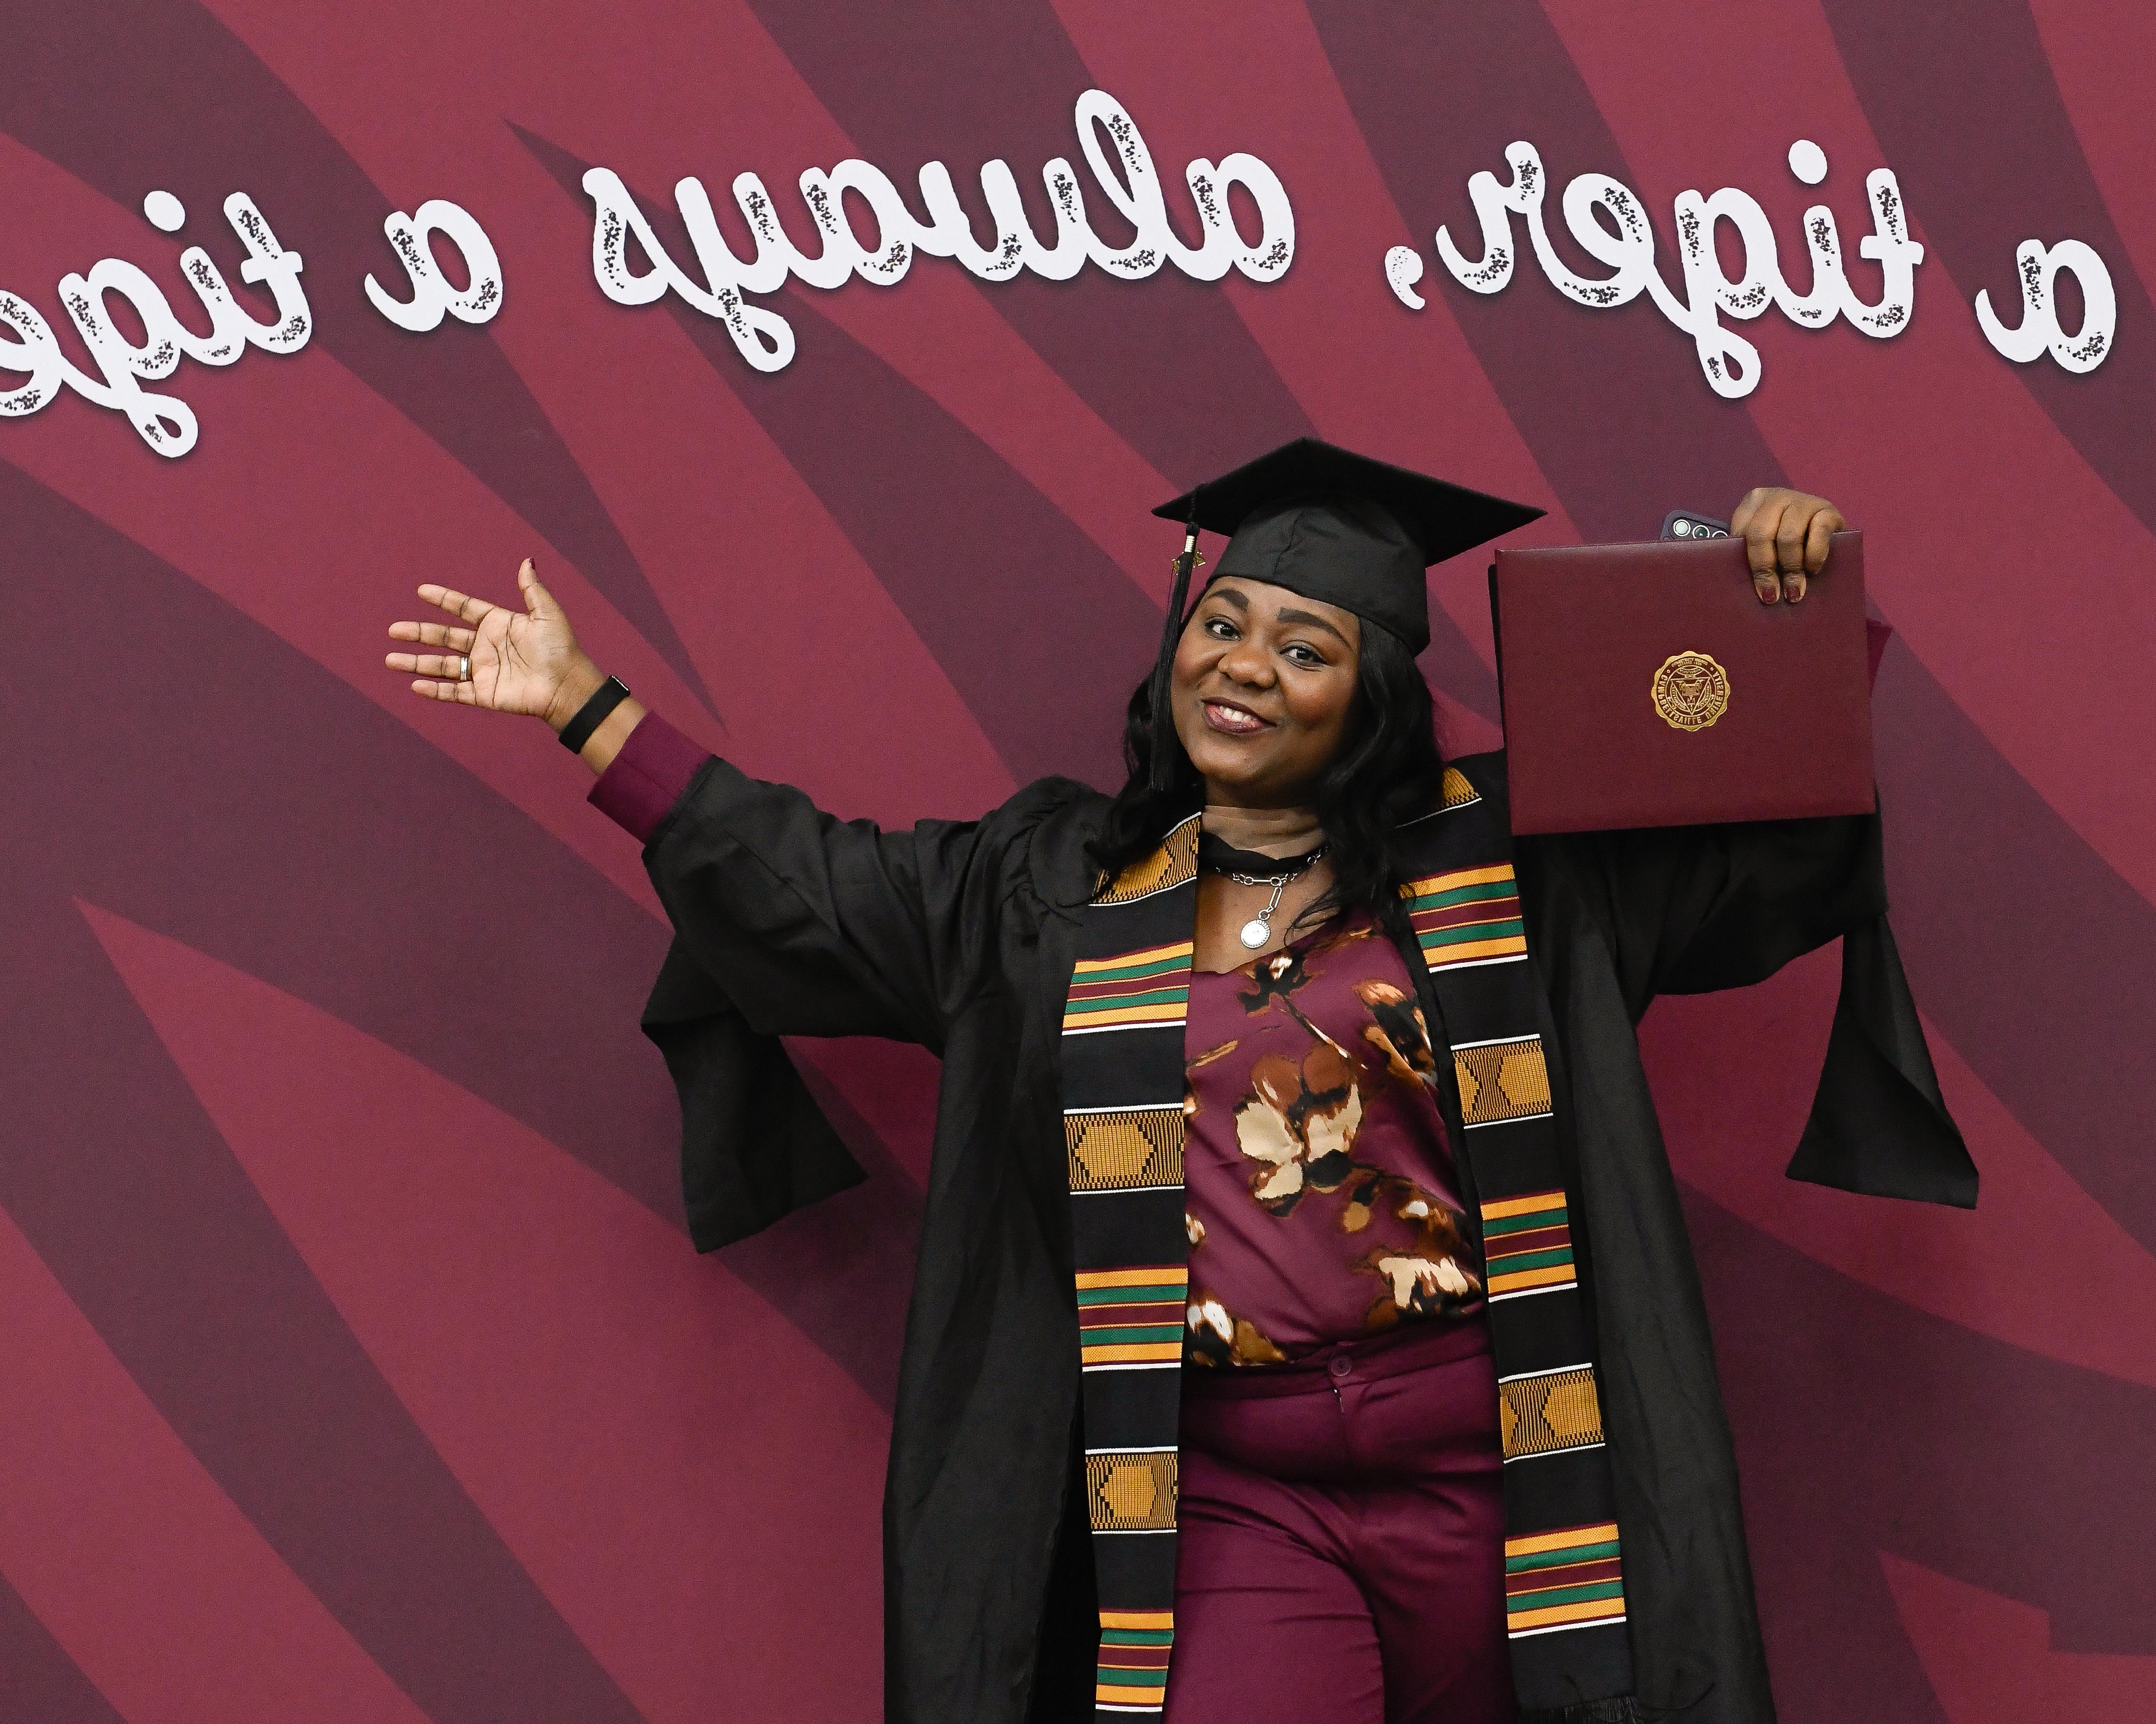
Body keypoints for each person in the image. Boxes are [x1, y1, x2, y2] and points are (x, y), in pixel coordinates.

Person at [383, 438, 1974, 1724]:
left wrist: (1787, 605)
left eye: (1304, 646)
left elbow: (1772, 845)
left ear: (1372, 700)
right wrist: (591, 710)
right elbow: (813, 883)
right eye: (1224, 624)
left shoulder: (1514, 865)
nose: (1244, 667)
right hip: (1236, 1491)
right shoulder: (1056, 891)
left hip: (1512, 1471)